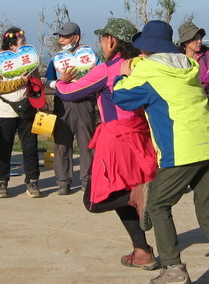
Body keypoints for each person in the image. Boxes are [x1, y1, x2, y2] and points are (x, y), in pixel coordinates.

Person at [113, 20, 209, 284]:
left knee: (158, 205)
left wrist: (122, 75)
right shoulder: (189, 66)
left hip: (181, 149)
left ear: (145, 48)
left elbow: (122, 98)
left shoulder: (147, 69)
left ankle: (173, 268)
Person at [56, 18, 158, 269]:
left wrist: (61, 81)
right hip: (141, 137)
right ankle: (142, 250)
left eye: (103, 38)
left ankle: (138, 197)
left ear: (111, 40)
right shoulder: (141, 64)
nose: (101, 44)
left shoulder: (108, 69)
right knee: (122, 194)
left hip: (116, 141)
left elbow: (70, 93)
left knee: (94, 200)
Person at [0, 27, 42, 199]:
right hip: (5, 111)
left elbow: (37, 81)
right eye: (22, 42)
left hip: (27, 108)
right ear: (11, 45)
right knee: (4, 147)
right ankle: (1, 182)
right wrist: (20, 82)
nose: (25, 45)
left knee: (30, 147)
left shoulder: (29, 60)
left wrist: (40, 102)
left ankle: (32, 181)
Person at [45, 22, 98, 195]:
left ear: (77, 37)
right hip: (63, 104)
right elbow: (48, 81)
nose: (61, 39)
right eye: (60, 36)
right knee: (61, 144)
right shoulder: (57, 58)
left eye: (66, 36)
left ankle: (87, 182)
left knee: (87, 145)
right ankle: (63, 182)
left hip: (85, 103)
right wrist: (61, 81)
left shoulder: (91, 56)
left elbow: (100, 77)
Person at [178, 21, 209, 118]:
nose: (199, 41)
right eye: (195, 39)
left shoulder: (207, 54)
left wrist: (189, 79)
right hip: (185, 103)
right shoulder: (178, 58)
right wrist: (202, 77)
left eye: (200, 38)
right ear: (186, 41)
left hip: (206, 101)